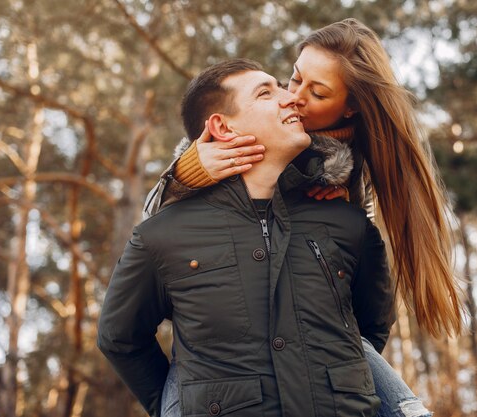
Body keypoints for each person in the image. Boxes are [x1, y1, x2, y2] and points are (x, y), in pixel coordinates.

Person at [147, 18, 456, 417]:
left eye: (318, 92)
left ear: (350, 108)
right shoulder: (238, 133)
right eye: (294, 79)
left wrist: (328, 375)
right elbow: (155, 228)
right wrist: (188, 170)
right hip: (213, 359)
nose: (294, 96)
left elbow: (356, 300)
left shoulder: (349, 171)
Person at [98, 58, 394, 417]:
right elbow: (119, 338)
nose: (290, 99)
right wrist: (181, 404)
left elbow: (371, 327)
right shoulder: (162, 236)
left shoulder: (348, 222)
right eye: (266, 93)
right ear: (222, 128)